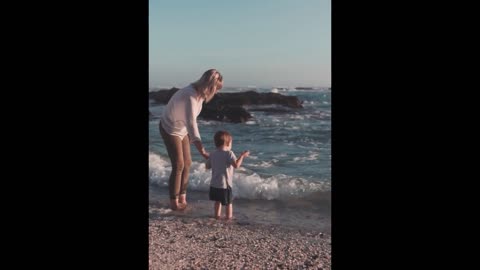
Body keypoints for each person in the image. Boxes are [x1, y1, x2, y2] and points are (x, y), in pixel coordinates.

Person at [159, 69, 223, 210]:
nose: (216, 92)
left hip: (182, 129)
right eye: (216, 89)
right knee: (179, 164)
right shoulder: (190, 96)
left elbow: (190, 122)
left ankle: (183, 196)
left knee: (188, 162)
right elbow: (191, 123)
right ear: (209, 86)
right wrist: (202, 150)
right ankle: (174, 202)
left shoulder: (199, 95)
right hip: (169, 128)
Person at [206, 130, 250, 220]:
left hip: (214, 184)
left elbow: (207, 166)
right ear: (228, 143)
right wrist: (242, 156)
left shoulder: (213, 154)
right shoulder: (229, 153)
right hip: (225, 185)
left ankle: (216, 216)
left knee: (217, 202)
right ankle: (228, 218)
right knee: (229, 203)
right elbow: (236, 165)